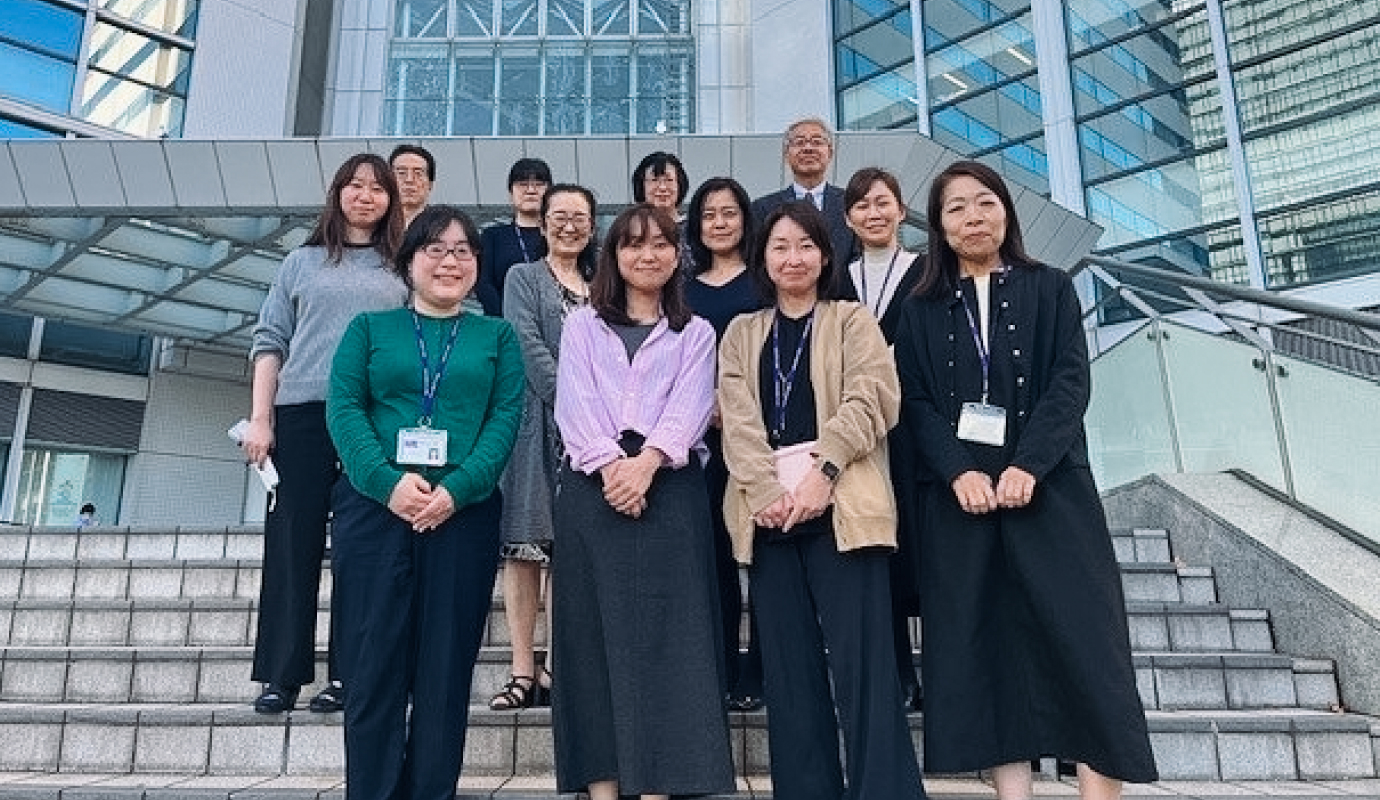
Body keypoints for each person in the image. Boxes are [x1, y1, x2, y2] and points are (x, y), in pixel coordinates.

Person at [893, 160, 1158, 797]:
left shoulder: (1050, 287)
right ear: (939, 226)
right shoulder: (921, 307)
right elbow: (914, 399)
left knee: (1086, 645)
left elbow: (1070, 382)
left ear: (1005, 212)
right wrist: (957, 470)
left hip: (1051, 493)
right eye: (956, 208)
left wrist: (1028, 465)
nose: (973, 217)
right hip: (961, 505)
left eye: (984, 202)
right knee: (985, 652)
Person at [718, 200, 925, 800]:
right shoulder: (742, 332)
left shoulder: (852, 320)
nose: (793, 258)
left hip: (845, 511)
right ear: (762, 258)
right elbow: (736, 417)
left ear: (826, 256)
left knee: (866, 673)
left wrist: (823, 471)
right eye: (780, 247)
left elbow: (873, 397)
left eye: (806, 245)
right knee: (790, 676)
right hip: (770, 517)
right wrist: (764, 489)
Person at [326, 204, 524, 800]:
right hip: (375, 511)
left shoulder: (497, 336)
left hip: (462, 516)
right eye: (435, 249)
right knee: (372, 668)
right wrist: (386, 482)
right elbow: (344, 409)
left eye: (463, 250)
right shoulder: (368, 329)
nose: (450, 261)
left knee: (445, 671)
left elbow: (504, 420)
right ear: (409, 261)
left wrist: (458, 489)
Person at [551, 204, 734, 800]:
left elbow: (690, 407)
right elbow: (573, 402)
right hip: (592, 486)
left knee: (669, 640)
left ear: (678, 256)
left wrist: (647, 464)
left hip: (670, 488)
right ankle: (603, 788)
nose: (647, 255)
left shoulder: (696, 332)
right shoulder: (582, 325)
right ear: (614, 255)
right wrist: (613, 468)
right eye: (633, 244)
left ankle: (658, 786)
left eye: (660, 244)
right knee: (590, 641)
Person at [242, 152, 407, 715]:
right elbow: (270, 341)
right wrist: (261, 419)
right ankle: (281, 675)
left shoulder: (402, 264)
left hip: (374, 420)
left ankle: (350, 675)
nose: (365, 195)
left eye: (378, 188)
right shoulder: (301, 261)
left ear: (391, 200)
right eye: (354, 185)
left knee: (364, 551)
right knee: (292, 546)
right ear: (337, 194)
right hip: (302, 413)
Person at [489, 183, 597, 711]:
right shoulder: (522, 276)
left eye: (580, 217)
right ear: (544, 221)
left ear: (592, 227)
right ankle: (520, 669)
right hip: (536, 426)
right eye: (560, 215)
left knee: (568, 551)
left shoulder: (604, 284)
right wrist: (576, 403)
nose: (569, 226)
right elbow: (526, 344)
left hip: (591, 437)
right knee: (525, 547)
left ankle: (556, 665)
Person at [841, 166, 926, 712]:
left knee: (925, 544)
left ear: (900, 210)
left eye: (882, 203)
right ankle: (897, 673)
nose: (873, 213)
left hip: (917, 425)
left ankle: (944, 673)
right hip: (861, 431)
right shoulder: (838, 278)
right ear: (848, 218)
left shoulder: (929, 271)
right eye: (862, 206)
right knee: (879, 546)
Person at [682, 176, 767, 711]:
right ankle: (721, 666)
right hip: (701, 441)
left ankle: (759, 667)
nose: (719, 223)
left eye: (729, 213)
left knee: (762, 552)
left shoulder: (764, 281)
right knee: (714, 556)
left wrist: (734, 404)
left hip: (760, 435)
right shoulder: (683, 289)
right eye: (709, 214)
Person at [750, 117, 857, 275]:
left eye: (817, 142)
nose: (808, 148)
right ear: (786, 155)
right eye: (799, 142)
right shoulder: (762, 209)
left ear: (830, 153)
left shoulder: (852, 203)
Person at [480, 157, 552, 304]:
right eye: (522, 184)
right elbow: (484, 284)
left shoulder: (561, 234)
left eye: (539, 184)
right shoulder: (492, 236)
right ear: (510, 193)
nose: (531, 191)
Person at [389, 144, 434, 227]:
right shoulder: (374, 224)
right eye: (401, 173)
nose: (409, 180)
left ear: (430, 185)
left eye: (418, 173)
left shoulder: (443, 226)